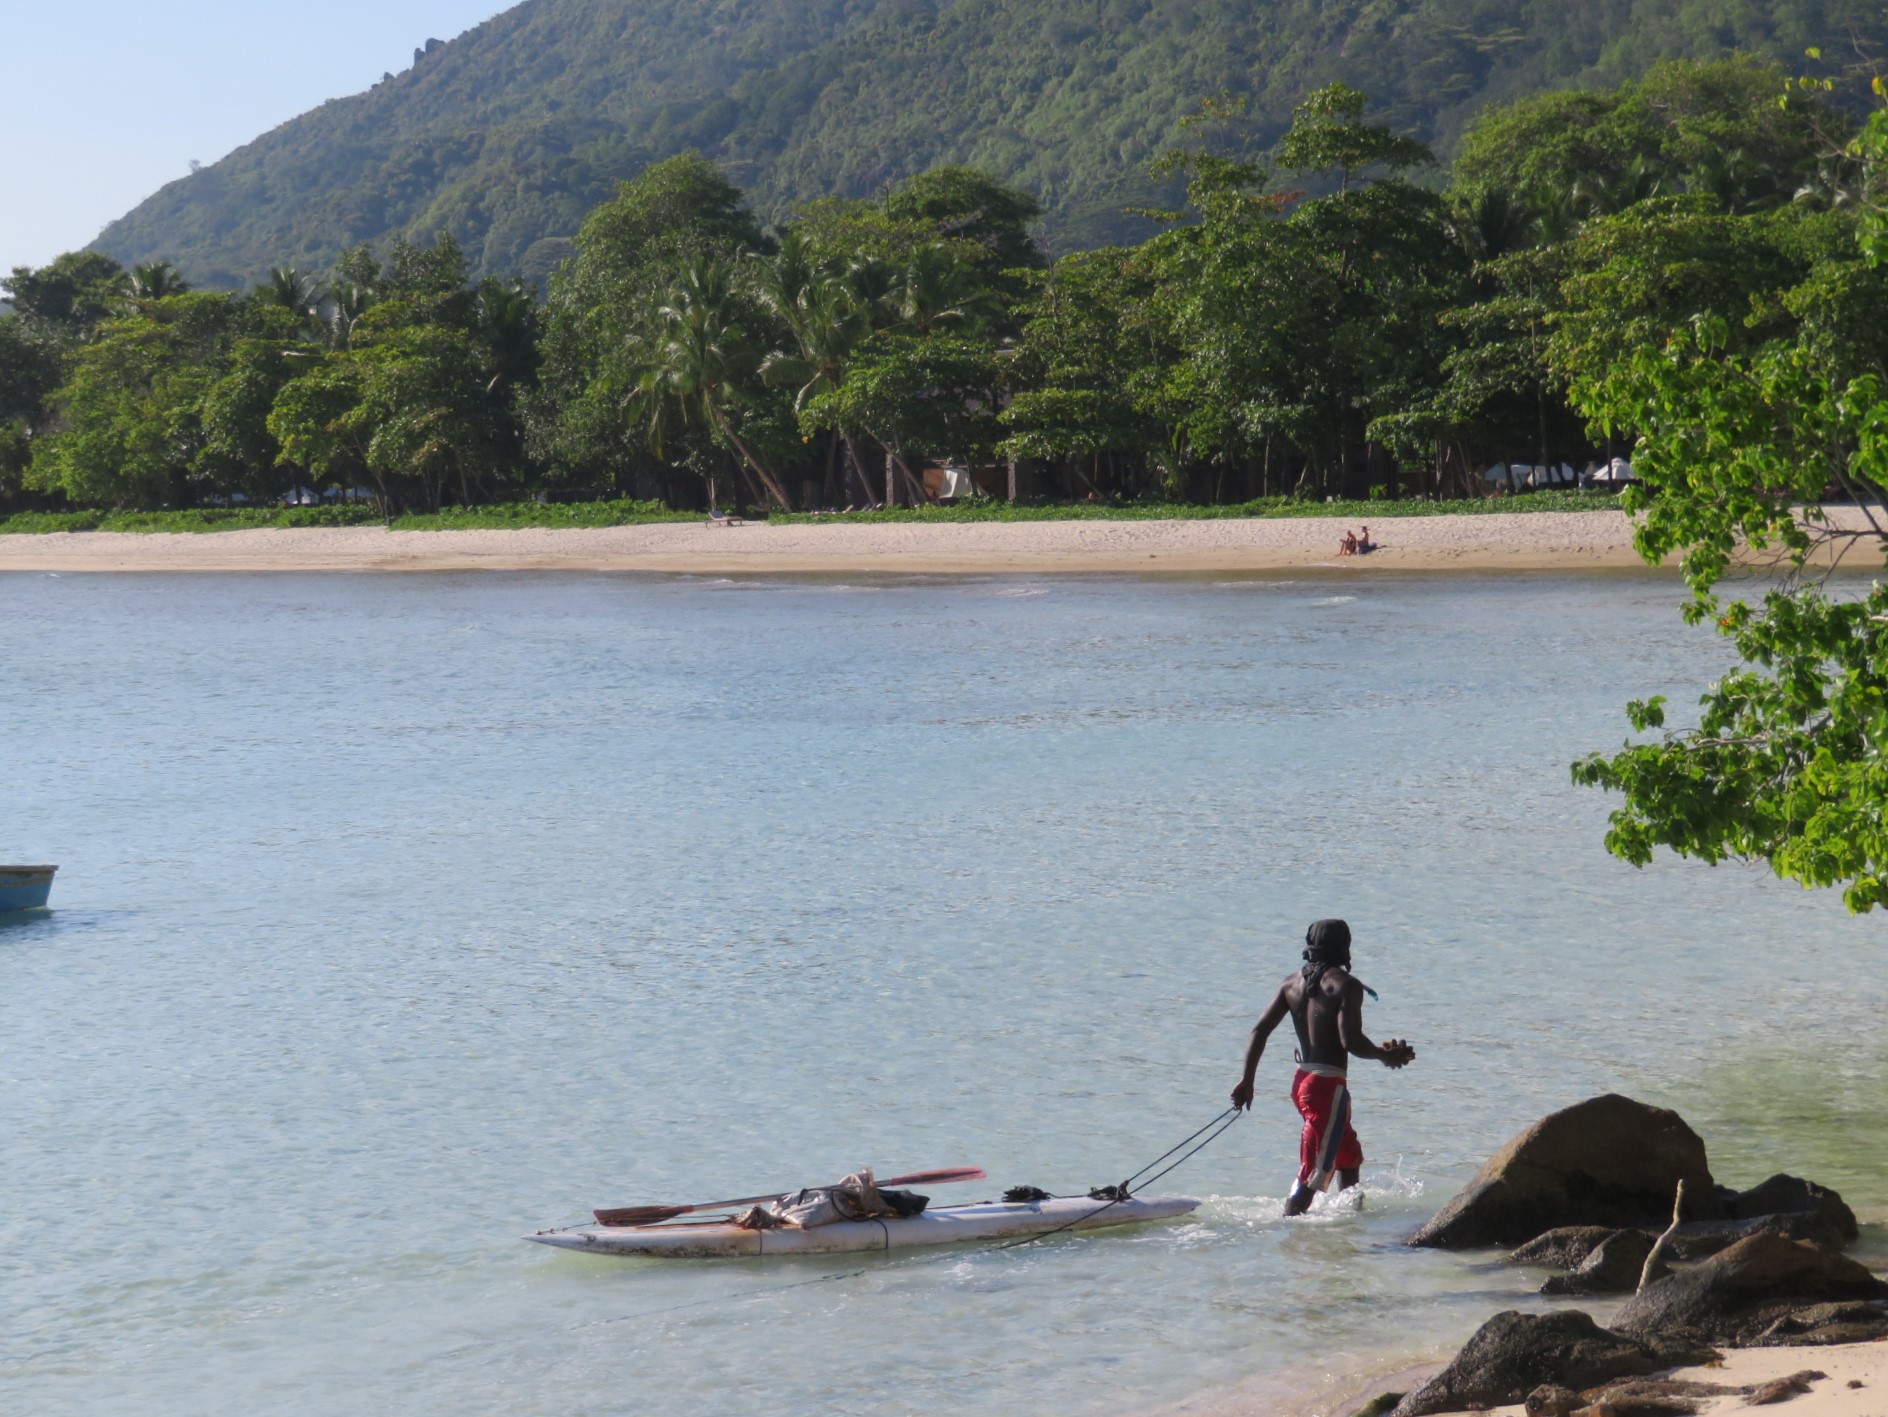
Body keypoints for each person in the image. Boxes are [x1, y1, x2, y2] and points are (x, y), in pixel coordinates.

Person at [1230, 919, 1414, 1216]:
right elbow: (1350, 1040)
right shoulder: (1346, 985)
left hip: (1304, 1081)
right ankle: (1287, 1227)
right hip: (1327, 1088)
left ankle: (1352, 1224)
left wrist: (1247, 1080)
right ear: (1345, 947)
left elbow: (1259, 1030)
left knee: (1348, 1156)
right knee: (1312, 1173)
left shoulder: (1291, 983)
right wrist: (1384, 1055)